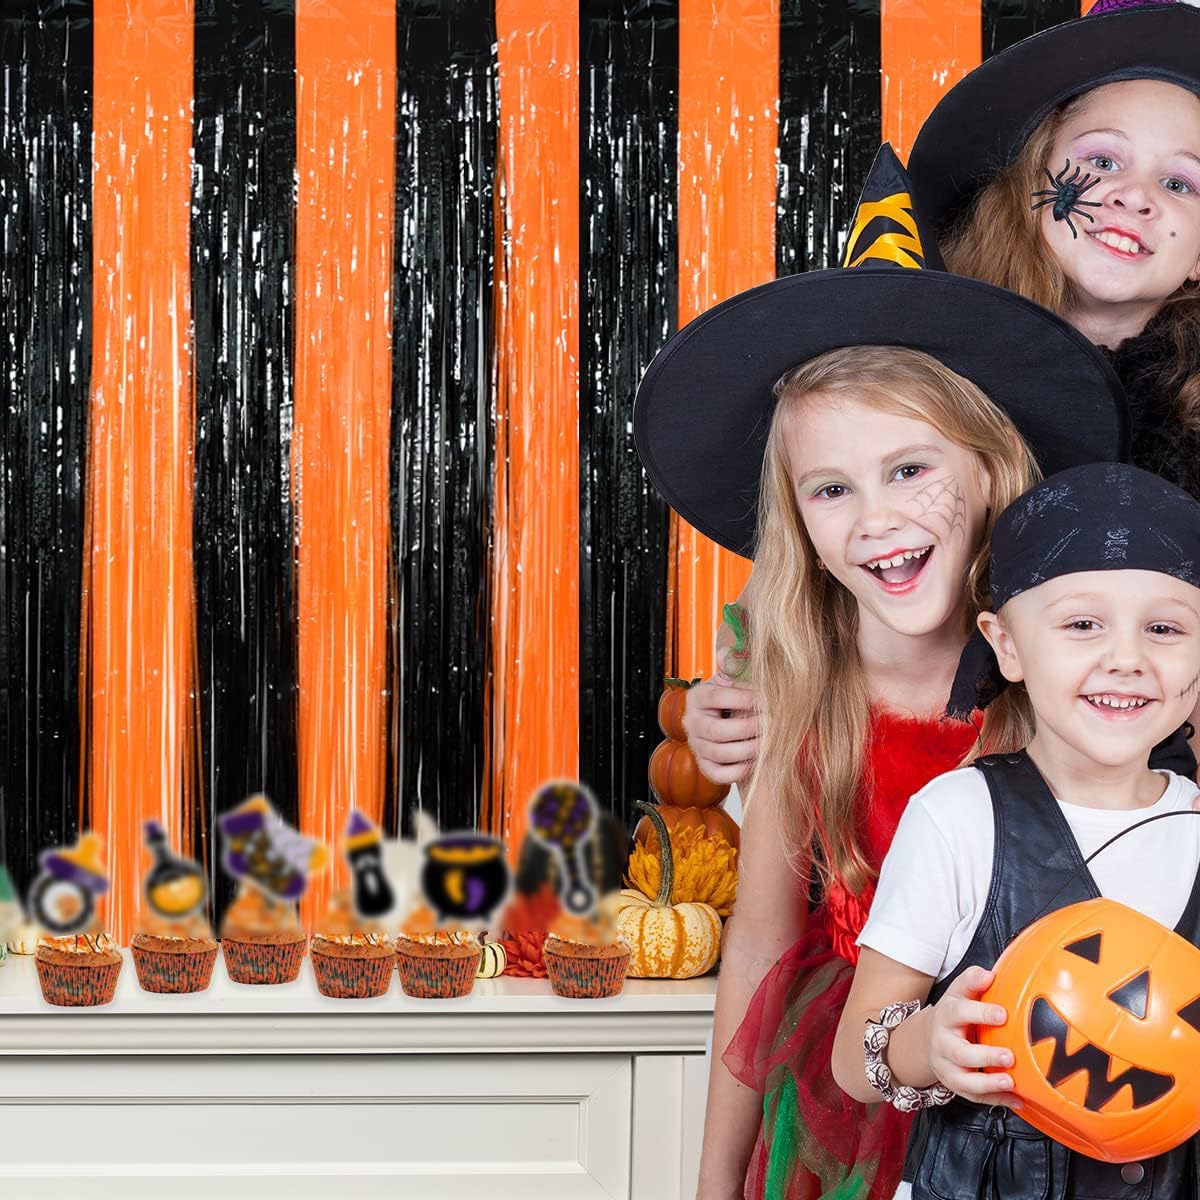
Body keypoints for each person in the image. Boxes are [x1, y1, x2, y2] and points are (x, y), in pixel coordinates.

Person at [633, 145, 1127, 1200]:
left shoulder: (1077, 666)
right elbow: (761, 946)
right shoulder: (798, 682)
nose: (876, 519)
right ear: (798, 524)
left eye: (910, 469)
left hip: (1042, 1095)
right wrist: (713, 1185)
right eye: (831, 490)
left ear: (989, 469)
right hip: (844, 1101)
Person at [687, 0, 1200, 881]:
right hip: (916, 804)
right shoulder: (927, 355)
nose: (1132, 195)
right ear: (1029, 174)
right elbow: (813, 553)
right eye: (1101, 161)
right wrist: (733, 703)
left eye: (1183, 183)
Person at [833, 462, 1200, 1197]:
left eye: (1164, 629)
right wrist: (930, 1045)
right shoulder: (958, 819)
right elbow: (852, 1060)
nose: (1126, 659)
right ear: (1006, 645)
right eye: (1082, 625)